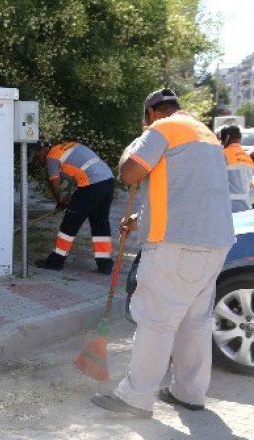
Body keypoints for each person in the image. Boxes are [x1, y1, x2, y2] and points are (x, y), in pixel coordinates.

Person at [91, 88, 233, 417]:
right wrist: (140, 220)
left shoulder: (163, 129)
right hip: (214, 242)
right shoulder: (206, 135)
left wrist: (134, 146)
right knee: (194, 322)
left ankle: (135, 399)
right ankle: (189, 393)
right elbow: (188, 196)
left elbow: (130, 173)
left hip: (177, 246)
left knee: (156, 320)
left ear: (152, 112)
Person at [33, 140, 115, 274]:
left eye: (37, 156)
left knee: (69, 225)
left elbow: (55, 184)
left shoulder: (52, 156)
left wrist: (59, 200)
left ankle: (55, 262)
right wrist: (68, 199)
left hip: (92, 185)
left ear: (44, 149)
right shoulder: (66, 147)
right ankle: (105, 264)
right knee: (100, 224)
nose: (39, 160)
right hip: (108, 181)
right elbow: (77, 178)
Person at [219, 125, 254, 212]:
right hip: (245, 207)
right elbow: (250, 186)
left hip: (226, 206)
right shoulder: (247, 157)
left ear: (224, 139)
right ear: (239, 139)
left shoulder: (221, 155)